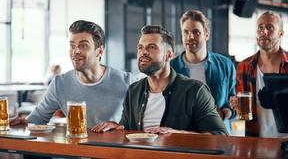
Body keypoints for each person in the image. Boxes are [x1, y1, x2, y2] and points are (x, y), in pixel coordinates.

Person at [91, 25, 228, 135]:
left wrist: (181, 134)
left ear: (168, 55)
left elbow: (221, 136)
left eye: (151, 47)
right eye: (140, 47)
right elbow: (127, 129)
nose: (143, 52)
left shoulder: (195, 91)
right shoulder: (134, 90)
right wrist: (116, 127)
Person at [10, 20, 135, 127]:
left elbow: (140, 125)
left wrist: (119, 126)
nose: (76, 51)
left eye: (83, 46)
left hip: (112, 152)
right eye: (72, 45)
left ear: (100, 51)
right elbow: (37, 120)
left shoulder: (127, 81)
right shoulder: (60, 84)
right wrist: (24, 122)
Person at [230, 11, 288, 138]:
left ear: (281, 33)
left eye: (270, 27)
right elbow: (242, 111)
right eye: (260, 28)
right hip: (255, 140)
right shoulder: (244, 67)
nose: (264, 32)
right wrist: (236, 104)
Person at [170, 10, 236, 133]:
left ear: (206, 34)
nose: (190, 37)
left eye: (196, 32)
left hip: (218, 135)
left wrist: (224, 113)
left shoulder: (225, 65)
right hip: (184, 136)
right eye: (186, 32)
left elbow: (234, 103)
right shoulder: (170, 68)